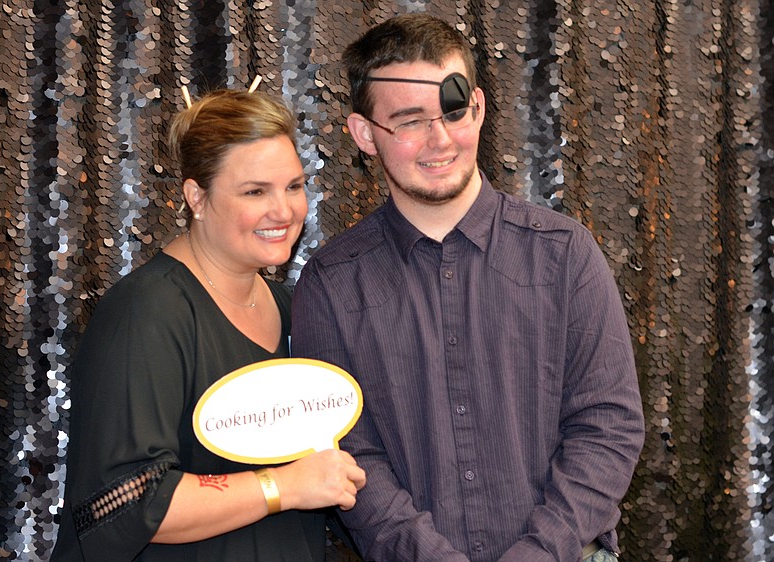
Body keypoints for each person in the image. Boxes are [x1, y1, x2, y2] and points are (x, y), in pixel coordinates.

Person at [291, 13, 645, 562]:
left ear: (477, 106)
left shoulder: (565, 253)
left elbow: (608, 426)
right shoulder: (332, 284)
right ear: (364, 134)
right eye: (409, 121)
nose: (441, 139)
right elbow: (346, 452)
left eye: (454, 111)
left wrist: (540, 552)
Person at [52, 88, 366, 561]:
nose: (283, 211)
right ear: (197, 197)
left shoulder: (291, 306)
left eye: (294, 186)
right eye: (255, 191)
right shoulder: (147, 312)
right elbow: (120, 503)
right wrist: (282, 486)